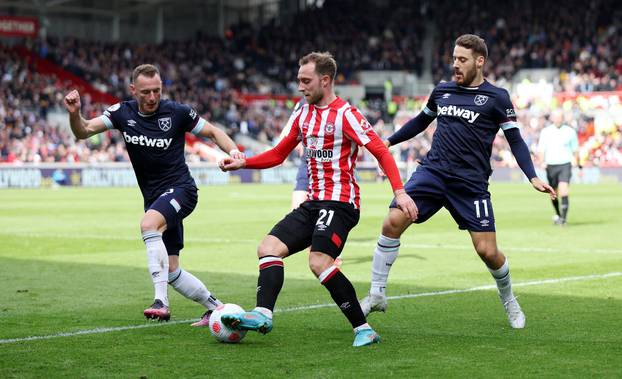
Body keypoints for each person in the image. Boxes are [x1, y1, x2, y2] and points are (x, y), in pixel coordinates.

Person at [218, 52, 418, 346]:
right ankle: (263, 314)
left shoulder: (346, 115)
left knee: (318, 261)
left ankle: (363, 329)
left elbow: (381, 151)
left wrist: (399, 192)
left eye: (305, 81)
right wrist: (244, 162)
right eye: (299, 80)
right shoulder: (302, 114)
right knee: (268, 248)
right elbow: (277, 154)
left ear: (325, 80)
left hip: (341, 203)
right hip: (314, 203)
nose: (300, 87)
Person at [359, 35, 556, 329]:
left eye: (462, 60)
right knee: (392, 222)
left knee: (487, 252)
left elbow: (515, 140)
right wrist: (388, 141)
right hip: (432, 173)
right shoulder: (442, 91)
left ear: (480, 61)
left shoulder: (497, 97)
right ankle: (376, 294)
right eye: (453, 59)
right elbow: (419, 122)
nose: (455, 65)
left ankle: (509, 300)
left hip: (470, 184)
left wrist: (533, 177)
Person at [63, 64, 244, 325]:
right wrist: (74, 114)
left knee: (148, 224)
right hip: (156, 199)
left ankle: (161, 302)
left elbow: (213, 132)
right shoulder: (121, 112)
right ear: (133, 90)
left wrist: (234, 152)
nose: (152, 98)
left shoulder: (177, 112)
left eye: (157, 91)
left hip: (182, 190)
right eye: (146, 92)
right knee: (171, 270)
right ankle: (218, 308)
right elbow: (84, 130)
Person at [537, 109, 580, 225]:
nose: (558, 119)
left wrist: (576, 160)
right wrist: (541, 162)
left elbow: (575, 149)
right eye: (556, 117)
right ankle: (558, 214)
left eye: (560, 117)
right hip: (550, 165)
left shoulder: (570, 131)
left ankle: (563, 220)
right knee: (553, 192)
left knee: (564, 189)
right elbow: (541, 149)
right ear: (552, 118)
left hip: (565, 164)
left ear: (563, 118)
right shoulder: (546, 132)